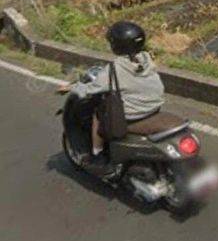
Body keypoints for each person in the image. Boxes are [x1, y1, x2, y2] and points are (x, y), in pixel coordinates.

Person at [58, 21, 165, 171]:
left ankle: (97, 151)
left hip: (135, 113)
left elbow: (91, 89)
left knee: (98, 114)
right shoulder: (146, 59)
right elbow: (131, 82)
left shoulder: (115, 69)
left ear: (117, 45)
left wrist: (72, 88)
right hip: (155, 106)